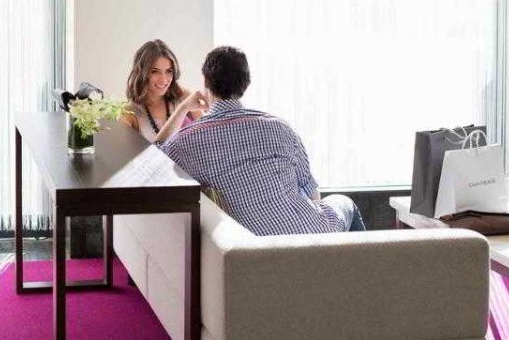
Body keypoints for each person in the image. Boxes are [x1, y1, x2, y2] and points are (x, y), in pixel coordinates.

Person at [153, 45, 365, 236]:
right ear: (246, 83)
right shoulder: (281, 128)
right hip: (310, 235)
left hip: (252, 250)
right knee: (345, 203)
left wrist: (183, 108)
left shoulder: (186, 141)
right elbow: (312, 194)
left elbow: (151, 160)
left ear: (206, 82)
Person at [120, 39, 201, 142]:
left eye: (168, 71)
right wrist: (182, 109)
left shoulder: (183, 97)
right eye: (155, 71)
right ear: (141, 73)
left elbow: (207, 136)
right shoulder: (129, 112)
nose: (163, 80)